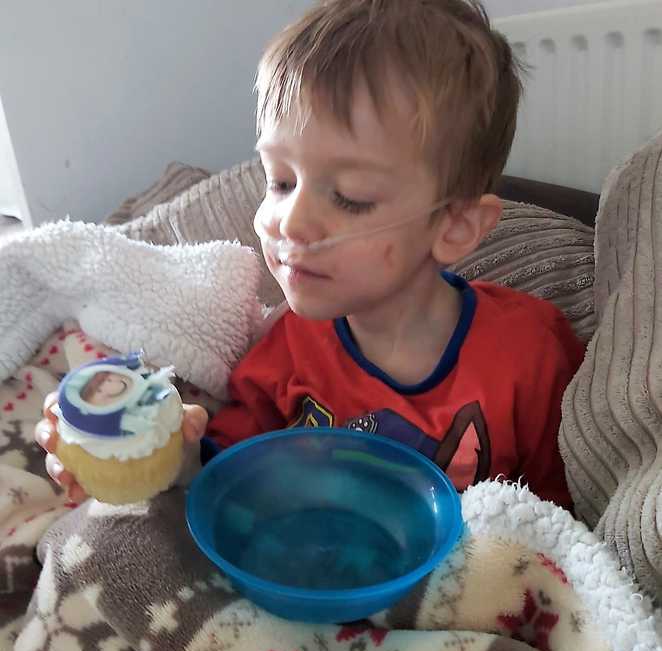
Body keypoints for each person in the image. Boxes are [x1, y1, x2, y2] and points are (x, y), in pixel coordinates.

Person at [36, 0, 584, 508]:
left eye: (350, 197)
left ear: (456, 226)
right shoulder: (289, 345)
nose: (290, 221)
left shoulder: (530, 356)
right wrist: (145, 451)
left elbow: (562, 533)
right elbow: (225, 477)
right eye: (278, 180)